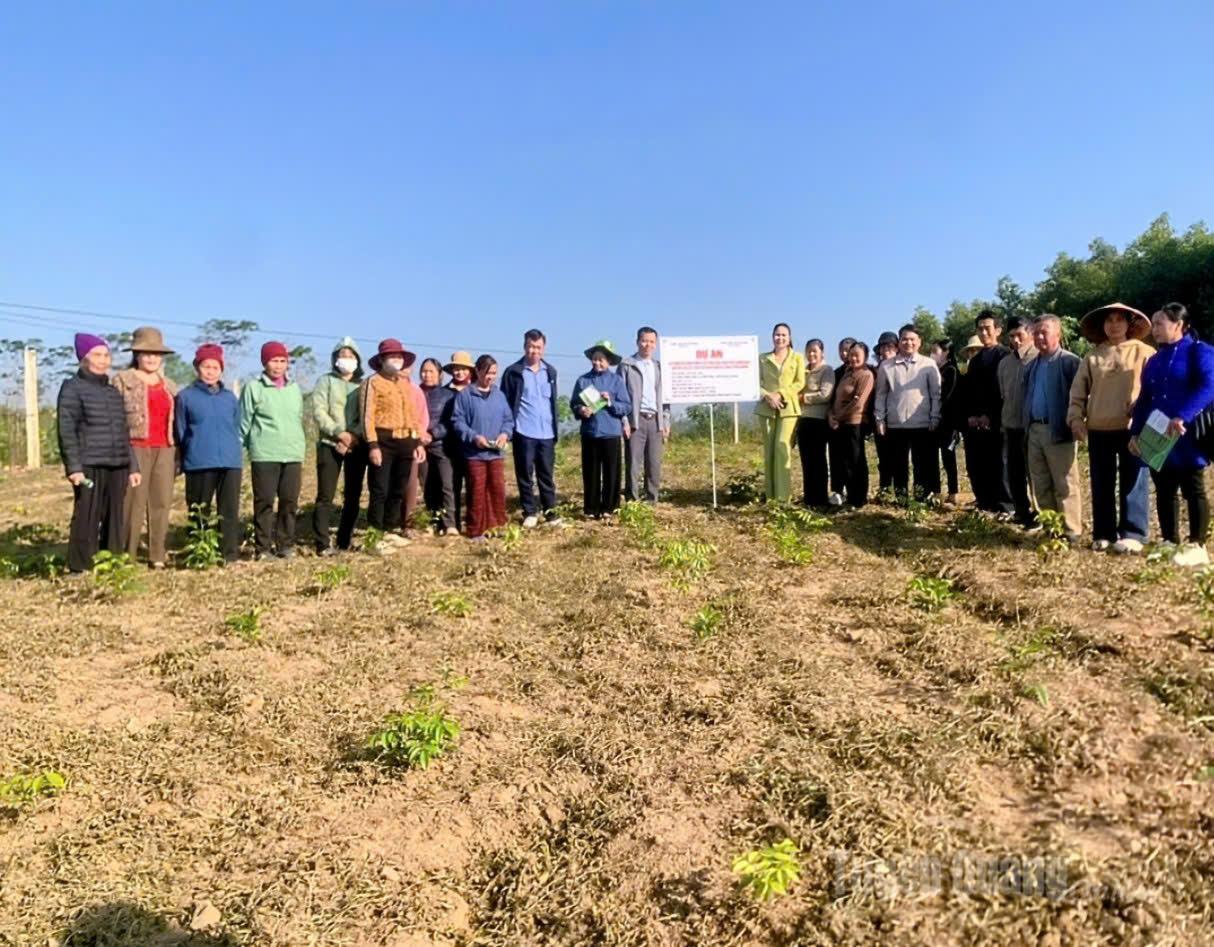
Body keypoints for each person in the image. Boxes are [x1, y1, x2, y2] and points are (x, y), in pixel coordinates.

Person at [1130, 303, 1214, 567]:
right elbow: (1144, 398)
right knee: (1164, 487)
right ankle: (1169, 540)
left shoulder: (1198, 351)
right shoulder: (1155, 360)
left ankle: (1197, 544)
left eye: (1159, 323)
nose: (1154, 329)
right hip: (1157, 432)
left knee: (1193, 487)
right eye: (1153, 324)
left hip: (1186, 432)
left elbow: (1209, 385)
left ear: (1179, 325)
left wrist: (1183, 415)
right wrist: (1135, 431)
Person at [1068, 303, 1154, 554]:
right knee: (1102, 481)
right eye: (1109, 320)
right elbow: (1078, 392)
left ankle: (1133, 533)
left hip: (1133, 428)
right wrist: (1075, 418)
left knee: (1134, 479)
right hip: (1099, 427)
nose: (1113, 325)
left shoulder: (1144, 352)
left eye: (1119, 319)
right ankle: (1103, 532)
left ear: (1129, 324)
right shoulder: (1093, 356)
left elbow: (1156, 386)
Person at [57, 333, 141, 573]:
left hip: (117, 464)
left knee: (115, 515)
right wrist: (73, 467)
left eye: (106, 355)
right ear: (84, 358)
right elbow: (67, 429)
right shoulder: (73, 388)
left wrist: (132, 466)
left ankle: (111, 563)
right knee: (87, 514)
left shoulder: (113, 392)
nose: (103, 360)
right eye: (97, 355)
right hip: (89, 464)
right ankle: (79, 566)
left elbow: (123, 432)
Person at [112, 326, 178, 568]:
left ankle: (157, 554)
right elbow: (114, 418)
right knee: (133, 504)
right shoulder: (122, 380)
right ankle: (127, 554)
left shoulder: (169, 385)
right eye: (146, 353)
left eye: (156, 354)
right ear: (136, 355)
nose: (151, 358)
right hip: (135, 447)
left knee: (161, 502)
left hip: (165, 448)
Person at [175, 344, 243, 564]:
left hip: (230, 461)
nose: (210, 371)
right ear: (197, 368)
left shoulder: (229, 398)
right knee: (200, 509)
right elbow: (180, 429)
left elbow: (236, 424)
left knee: (229, 510)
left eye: (215, 367)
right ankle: (200, 551)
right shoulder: (186, 397)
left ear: (221, 370)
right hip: (199, 461)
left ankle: (229, 554)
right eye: (206, 366)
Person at [240, 341, 306, 559]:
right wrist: (241, 450)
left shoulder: (294, 388)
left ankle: (285, 545)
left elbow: (297, 418)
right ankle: (263, 548)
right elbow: (244, 422)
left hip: (292, 453)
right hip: (265, 453)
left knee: (289, 502)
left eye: (282, 361)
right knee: (265, 502)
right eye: (273, 361)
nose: (278, 366)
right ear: (264, 363)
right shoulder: (254, 388)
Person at [360, 339, 428, 543]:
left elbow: (412, 414)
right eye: (392, 356)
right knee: (380, 488)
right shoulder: (372, 382)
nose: (396, 360)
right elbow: (367, 416)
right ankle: (375, 532)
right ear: (382, 359)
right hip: (383, 441)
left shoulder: (406, 385)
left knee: (399, 487)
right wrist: (372, 445)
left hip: (406, 441)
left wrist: (417, 442)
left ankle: (390, 527)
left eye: (399, 357)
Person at [1022, 316, 1082, 542]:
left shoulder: (1069, 362)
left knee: (1065, 482)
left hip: (1058, 429)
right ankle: (1051, 527)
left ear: (1058, 334)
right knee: (1041, 482)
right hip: (1035, 429)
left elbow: (1080, 395)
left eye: (1044, 332)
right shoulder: (1032, 365)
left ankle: (1071, 530)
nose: (1039, 337)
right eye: (1036, 332)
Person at [500, 329, 562, 528]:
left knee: (546, 474)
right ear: (524, 347)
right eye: (530, 346)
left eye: (538, 347)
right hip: (524, 430)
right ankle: (530, 511)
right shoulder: (513, 372)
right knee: (525, 474)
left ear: (544, 349)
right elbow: (505, 403)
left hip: (547, 432)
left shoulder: (550, 372)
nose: (534, 351)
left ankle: (550, 512)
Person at [311, 337, 365, 555]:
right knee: (325, 495)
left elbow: (367, 414)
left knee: (353, 494)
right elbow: (319, 411)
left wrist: (353, 437)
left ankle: (344, 540)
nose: (346, 359)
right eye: (342, 355)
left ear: (357, 360)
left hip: (356, 444)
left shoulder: (363, 384)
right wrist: (338, 434)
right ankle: (322, 544)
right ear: (335, 359)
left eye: (351, 356)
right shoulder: (325, 381)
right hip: (329, 444)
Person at [874, 324, 941, 499]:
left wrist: (935, 417)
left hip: (922, 422)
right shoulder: (886, 366)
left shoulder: (929, 364)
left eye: (912, 339)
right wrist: (880, 419)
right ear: (899, 342)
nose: (908, 342)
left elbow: (936, 394)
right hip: (896, 423)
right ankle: (901, 498)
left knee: (921, 464)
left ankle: (921, 498)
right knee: (899, 465)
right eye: (904, 339)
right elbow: (881, 394)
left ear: (919, 342)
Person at [451, 354, 514, 540]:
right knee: (476, 491)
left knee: (497, 490)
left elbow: (508, 420)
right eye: (487, 373)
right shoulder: (465, 395)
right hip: (474, 453)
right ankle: (475, 530)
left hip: (496, 453)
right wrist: (473, 437)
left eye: (494, 373)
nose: (491, 377)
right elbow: (458, 421)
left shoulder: (499, 395)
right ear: (477, 371)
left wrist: (505, 434)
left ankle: (498, 527)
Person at [573, 340, 632, 518]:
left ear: (609, 362)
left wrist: (610, 402)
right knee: (590, 473)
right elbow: (574, 403)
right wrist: (581, 410)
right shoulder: (583, 380)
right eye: (595, 359)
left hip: (611, 433)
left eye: (602, 360)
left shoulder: (616, 381)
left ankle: (609, 508)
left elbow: (626, 406)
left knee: (611, 473)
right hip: (590, 432)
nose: (597, 363)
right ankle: (591, 509)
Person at [964, 310, 1014, 515]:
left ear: (998, 330)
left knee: (1000, 464)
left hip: (998, 420)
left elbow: (1004, 391)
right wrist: (972, 416)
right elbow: (971, 392)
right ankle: (984, 502)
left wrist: (990, 416)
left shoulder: (1005, 356)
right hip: (977, 423)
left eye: (988, 328)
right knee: (978, 464)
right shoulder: (975, 361)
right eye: (980, 329)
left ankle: (1006, 506)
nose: (984, 333)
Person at [620, 326, 671, 504]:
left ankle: (651, 498)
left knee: (654, 463)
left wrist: (665, 422)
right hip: (636, 420)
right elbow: (621, 396)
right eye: (644, 341)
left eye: (651, 341)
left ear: (655, 344)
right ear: (637, 342)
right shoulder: (627, 365)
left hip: (655, 420)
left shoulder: (659, 367)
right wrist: (625, 421)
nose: (647, 345)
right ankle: (632, 499)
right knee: (633, 463)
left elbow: (665, 398)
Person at [756, 323, 806, 503]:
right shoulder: (762, 358)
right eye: (777, 335)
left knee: (782, 447)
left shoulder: (798, 358)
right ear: (772, 337)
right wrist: (768, 396)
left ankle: (783, 498)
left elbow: (800, 382)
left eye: (784, 335)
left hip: (788, 409)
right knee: (769, 450)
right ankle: (770, 496)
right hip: (766, 408)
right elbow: (755, 382)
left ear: (790, 338)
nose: (780, 338)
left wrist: (781, 394)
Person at [996, 317, 1038, 527]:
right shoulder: (1004, 363)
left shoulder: (1039, 358)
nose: (1015, 340)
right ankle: (1021, 511)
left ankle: (1040, 515)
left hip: (1033, 427)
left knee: (1036, 473)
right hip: (1011, 425)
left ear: (1030, 333)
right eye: (1011, 336)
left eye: (1019, 335)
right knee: (1014, 473)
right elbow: (1003, 394)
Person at [828, 342, 874, 509]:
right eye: (851, 354)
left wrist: (838, 417)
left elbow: (858, 403)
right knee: (844, 461)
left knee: (856, 461)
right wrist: (831, 416)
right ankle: (847, 496)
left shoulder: (866, 375)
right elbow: (836, 399)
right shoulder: (847, 373)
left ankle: (858, 498)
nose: (853, 358)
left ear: (865, 357)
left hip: (855, 423)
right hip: (840, 423)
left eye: (857, 355)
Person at [418, 358, 459, 536]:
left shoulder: (448, 395)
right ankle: (433, 521)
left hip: (442, 445)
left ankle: (450, 523)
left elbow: (450, 421)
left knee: (446, 484)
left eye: (431, 371)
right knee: (427, 484)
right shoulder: (415, 392)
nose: (427, 375)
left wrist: (432, 434)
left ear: (440, 374)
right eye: (424, 371)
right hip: (419, 446)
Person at [796, 339, 834, 507]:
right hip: (802, 420)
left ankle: (821, 499)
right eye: (809, 351)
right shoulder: (802, 371)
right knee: (806, 461)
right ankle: (809, 498)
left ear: (822, 353)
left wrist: (804, 398)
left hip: (818, 422)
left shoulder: (827, 370)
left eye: (815, 351)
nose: (811, 354)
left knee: (818, 461)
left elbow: (825, 394)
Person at [443, 352, 477, 533]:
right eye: (456, 369)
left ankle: (473, 522)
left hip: (473, 446)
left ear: (470, 371)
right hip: (450, 446)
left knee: (473, 486)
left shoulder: (477, 391)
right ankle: (451, 524)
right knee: (451, 486)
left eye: (463, 368)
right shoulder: (443, 392)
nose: (459, 372)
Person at [931, 339, 962, 505]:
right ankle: (936, 491)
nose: (932, 354)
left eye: (935, 351)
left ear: (946, 352)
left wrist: (937, 410)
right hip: (935, 421)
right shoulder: (936, 369)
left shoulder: (951, 371)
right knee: (934, 458)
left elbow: (948, 396)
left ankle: (953, 492)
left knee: (948, 457)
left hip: (948, 421)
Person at [871, 331, 899, 493]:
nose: (886, 349)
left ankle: (899, 490)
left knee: (898, 457)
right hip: (879, 416)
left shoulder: (902, 365)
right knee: (883, 456)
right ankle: (885, 489)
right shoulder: (875, 370)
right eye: (883, 346)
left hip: (898, 417)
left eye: (890, 346)